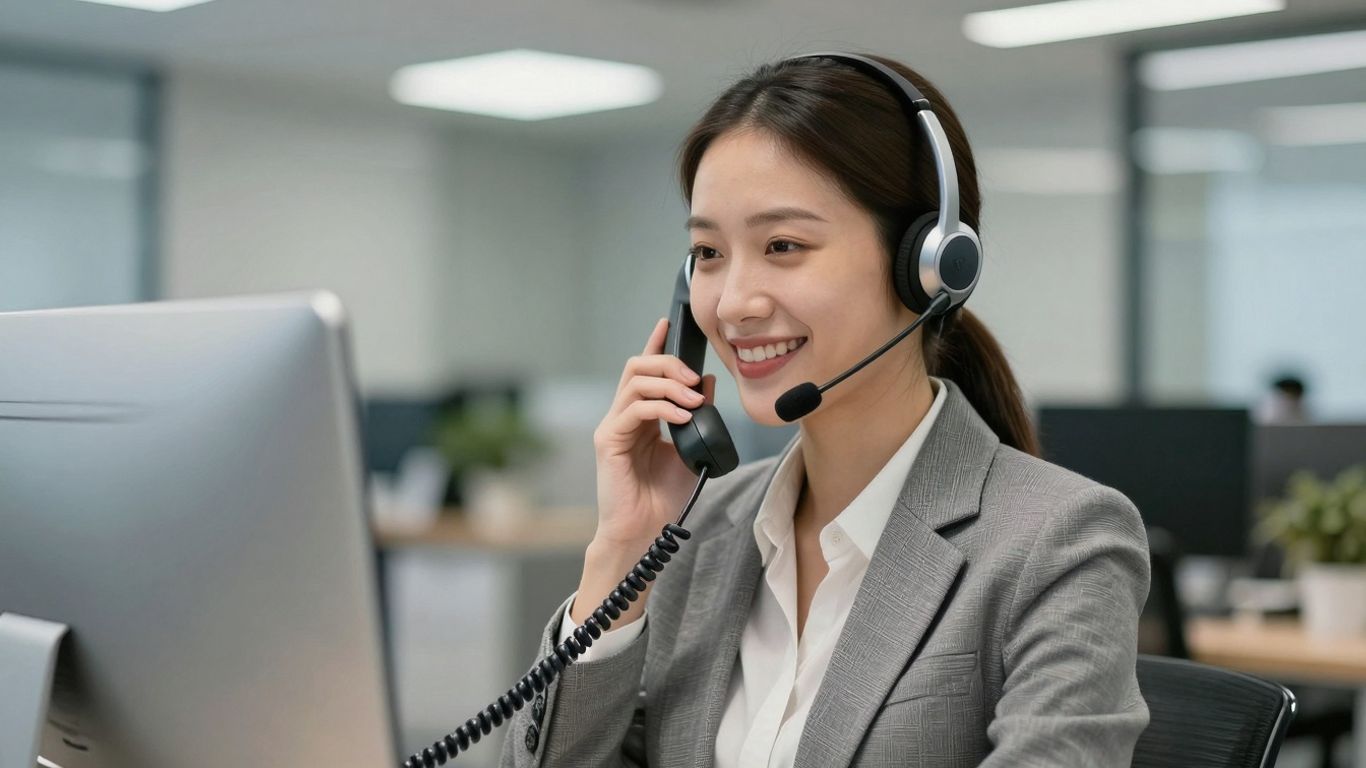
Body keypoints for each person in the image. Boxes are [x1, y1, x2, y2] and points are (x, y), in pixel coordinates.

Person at [500, 53, 1150, 767]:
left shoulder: (1058, 543)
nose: (735, 302)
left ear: (928, 265)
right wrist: (621, 555)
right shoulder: (699, 532)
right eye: (708, 252)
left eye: (784, 246)